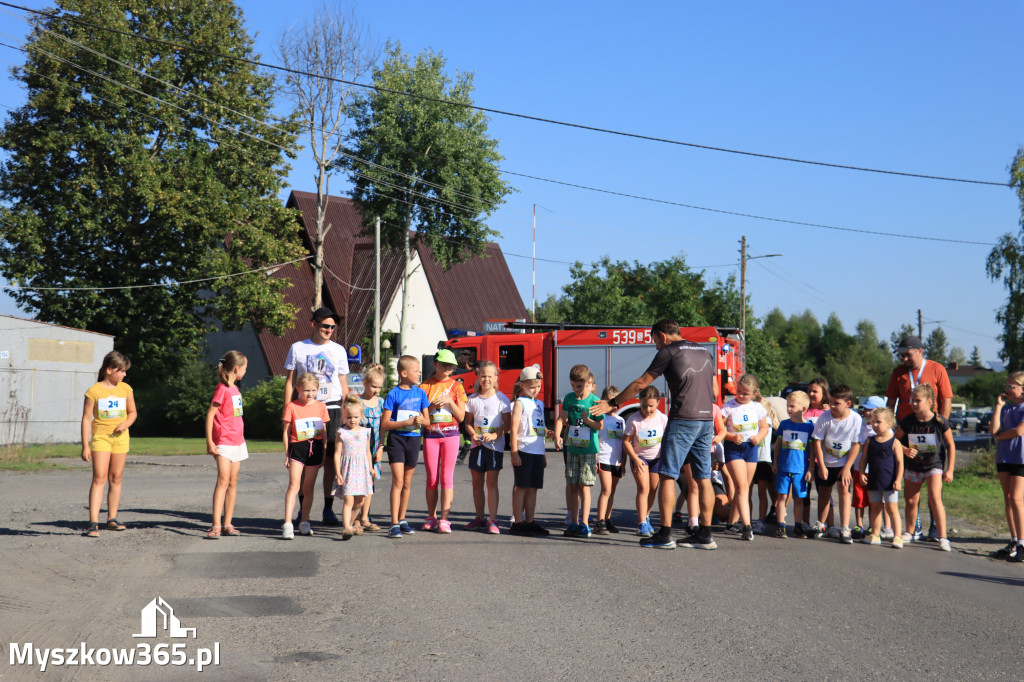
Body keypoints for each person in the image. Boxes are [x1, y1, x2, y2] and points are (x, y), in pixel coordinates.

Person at [591, 319, 717, 550]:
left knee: (667, 475)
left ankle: (665, 534)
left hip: (683, 419)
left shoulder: (669, 351)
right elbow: (715, 390)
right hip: (707, 419)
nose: (656, 345)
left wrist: (613, 403)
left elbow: (641, 384)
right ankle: (705, 536)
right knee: (703, 478)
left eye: (655, 340)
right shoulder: (704, 351)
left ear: (663, 335)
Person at [283, 307, 350, 527]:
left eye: (332, 327)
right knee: (304, 459)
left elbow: (343, 383)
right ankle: (303, 509)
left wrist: (347, 412)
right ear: (313, 324)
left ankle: (328, 508)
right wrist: (287, 411)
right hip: (305, 409)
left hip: (331, 407)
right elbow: (291, 382)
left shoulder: (339, 350)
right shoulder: (298, 348)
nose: (329, 330)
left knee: (331, 459)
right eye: (325, 326)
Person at [886, 335, 953, 541]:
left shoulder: (936, 368)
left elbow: (946, 399)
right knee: (912, 480)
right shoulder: (898, 373)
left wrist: (941, 425)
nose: (904, 359)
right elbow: (891, 401)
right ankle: (914, 527)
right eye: (902, 355)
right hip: (907, 432)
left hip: (932, 433)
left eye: (908, 355)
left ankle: (936, 528)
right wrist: (889, 427)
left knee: (934, 481)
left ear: (920, 351)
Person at [80, 351, 137, 538]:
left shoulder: (126, 389)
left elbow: (133, 412)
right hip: (101, 439)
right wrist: (85, 445)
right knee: (99, 478)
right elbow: (86, 419)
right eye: (121, 371)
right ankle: (93, 522)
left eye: (125, 371)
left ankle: (112, 519)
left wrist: (126, 423)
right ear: (109, 369)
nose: (124, 375)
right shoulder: (94, 391)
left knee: (116, 478)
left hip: (121, 439)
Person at [894, 383, 955, 552]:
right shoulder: (907, 422)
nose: (913, 403)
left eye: (917, 400)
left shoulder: (939, 421)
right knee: (911, 501)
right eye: (911, 400)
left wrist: (950, 469)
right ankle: (909, 532)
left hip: (934, 466)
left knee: (935, 498)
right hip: (913, 467)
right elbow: (895, 440)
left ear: (929, 401)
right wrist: (905, 449)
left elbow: (950, 445)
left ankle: (942, 537)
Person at [381, 355, 430, 539]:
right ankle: (393, 523)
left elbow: (428, 421)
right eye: (416, 371)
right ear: (404, 373)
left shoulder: (420, 393)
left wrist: (420, 420)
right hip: (397, 440)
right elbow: (385, 424)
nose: (419, 374)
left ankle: (402, 519)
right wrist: (405, 422)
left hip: (414, 440)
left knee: (407, 483)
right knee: (398, 481)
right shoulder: (393, 393)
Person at [419, 349, 468, 533]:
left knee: (447, 477)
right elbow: (420, 414)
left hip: (451, 436)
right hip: (431, 436)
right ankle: (431, 516)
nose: (447, 367)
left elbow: (461, 417)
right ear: (435, 364)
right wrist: (433, 406)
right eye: (443, 364)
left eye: (450, 365)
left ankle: (444, 519)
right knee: (432, 478)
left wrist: (449, 402)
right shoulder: (424, 386)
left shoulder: (457, 386)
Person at [554, 365, 603, 538]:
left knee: (584, 486)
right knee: (572, 484)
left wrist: (588, 420)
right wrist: (558, 435)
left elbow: (599, 425)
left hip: (588, 449)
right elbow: (562, 418)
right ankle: (573, 522)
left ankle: (585, 523)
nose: (577, 390)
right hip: (572, 447)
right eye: (574, 386)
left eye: (580, 386)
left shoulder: (594, 401)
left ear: (588, 383)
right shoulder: (568, 398)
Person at [810, 384, 862, 544]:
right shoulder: (825, 417)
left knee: (844, 492)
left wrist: (847, 468)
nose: (832, 406)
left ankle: (845, 527)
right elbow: (817, 441)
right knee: (824, 493)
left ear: (848, 403)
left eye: (836, 403)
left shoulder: (855, 419)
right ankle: (821, 524)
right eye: (831, 402)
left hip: (844, 463)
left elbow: (856, 444)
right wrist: (822, 466)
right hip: (826, 462)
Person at [204, 350, 248, 539]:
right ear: (237, 368)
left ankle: (228, 523)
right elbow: (210, 415)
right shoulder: (222, 389)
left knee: (233, 482)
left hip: (238, 441)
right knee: (223, 480)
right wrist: (210, 441)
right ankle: (215, 525)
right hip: (223, 442)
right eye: (245, 368)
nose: (245, 372)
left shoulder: (236, 389)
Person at [463, 361, 511, 534]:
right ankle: (479, 517)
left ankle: (493, 519)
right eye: (483, 376)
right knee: (477, 483)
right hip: (477, 447)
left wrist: (495, 435)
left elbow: (507, 424)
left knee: (492, 483)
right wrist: (473, 434)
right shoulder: (472, 399)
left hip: (494, 448)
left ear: (496, 378)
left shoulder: (502, 399)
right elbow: (468, 423)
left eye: (490, 376)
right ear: (478, 376)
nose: (486, 379)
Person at [720, 374, 769, 542]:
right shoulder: (728, 407)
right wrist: (731, 436)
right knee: (741, 486)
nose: (740, 396)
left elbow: (764, 427)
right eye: (738, 392)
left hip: (751, 449)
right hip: (734, 449)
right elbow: (719, 429)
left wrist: (759, 437)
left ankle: (731, 523)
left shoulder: (757, 407)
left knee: (744, 488)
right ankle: (747, 527)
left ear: (754, 394)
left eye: (744, 393)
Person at [281, 373, 330, 539]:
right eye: (306, 390)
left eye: (313, 390)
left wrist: (323, 452)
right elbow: (286, 432)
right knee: (294, 485)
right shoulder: (292, 406)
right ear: (299, 388)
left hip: (315, 447)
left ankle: (304, 521)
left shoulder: (321, 407)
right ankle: (287, 523)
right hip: (298, 447)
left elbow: (323, 432)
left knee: (308, 487)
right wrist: (287, 454)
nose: (310, 394)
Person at [510, 365, 553, 536]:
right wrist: (514, 452)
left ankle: (530, 520)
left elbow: (539, 428)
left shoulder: (540, 404)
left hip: (537, 451)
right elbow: (514, 429)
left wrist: (543, 453)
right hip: (524, 450)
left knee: (533, 488)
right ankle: (518, 522)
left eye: (538, 386)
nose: (536, 390)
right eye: (532, 386)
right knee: (521, 487)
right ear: (522, 384)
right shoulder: (520, 403)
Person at [621, 385, 667, 538]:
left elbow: (667, 439)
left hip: (657, 458)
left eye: (651, 406)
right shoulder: (634, 419)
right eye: (644, 406)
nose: (647, 409)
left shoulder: (662, 418)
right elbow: (626, 441)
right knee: (643, 488)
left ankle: (646, 517)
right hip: (640, 458)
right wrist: (635, 459)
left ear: (658, 403)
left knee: (653, 489)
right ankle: (641, 523)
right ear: (639, 402)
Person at [990, 371, 1024, 561]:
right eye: (1006, 387)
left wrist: (1000, 436)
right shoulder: (1006, 409)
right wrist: (998, 406)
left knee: (1017, 499)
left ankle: (1022, 542)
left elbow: (1019, 431)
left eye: (1011, 387)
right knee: (1008, 498)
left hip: (1021, 458)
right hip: (1004, 457)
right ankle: (1013, 540)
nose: (1007, 390)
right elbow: (993, 429)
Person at [859, 407, 904, 548]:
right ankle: (876, 534)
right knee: (875, 508)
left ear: (889, 423)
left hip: (890, 481)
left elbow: (900, 462)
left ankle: (897, 536)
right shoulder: (869, 441)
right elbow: (864, 459)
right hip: (874, 480)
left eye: (878, 422)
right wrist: (861, 473)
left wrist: (898, 480)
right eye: (873, 422)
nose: (875, 425)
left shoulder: (895, 442)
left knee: (892, 509)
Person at [332, 394, 375, 541]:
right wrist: (338, 473)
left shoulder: (365, 432)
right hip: (348, 471)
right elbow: (337, 454)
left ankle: (349, 525)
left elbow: (367, 452)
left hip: (362, 471)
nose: (352, 420)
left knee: (360, 502)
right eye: (349, 417)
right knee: (348, 500)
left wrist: (371, 468)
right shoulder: (341, 433)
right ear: (344, 416)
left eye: (356, 417)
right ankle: (346, 528)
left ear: (361, 416)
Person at [772, 390, 814, 539]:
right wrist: (775, 461)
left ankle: (798, 525)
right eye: (788, 406)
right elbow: (778, 444)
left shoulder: (809, 427)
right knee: (782, 496)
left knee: (798, 498)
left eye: (792, 406)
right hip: (784, 466)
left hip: (800, 469)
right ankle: (781, 525)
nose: (789, 409)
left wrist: (811, 468)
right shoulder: (784, 424)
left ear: (803, 408)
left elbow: (812, 449)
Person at [353, 363, 386, 532]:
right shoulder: (357, 401)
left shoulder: (381, 402)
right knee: (358, 483)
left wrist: (381, 447)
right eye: (374, 386)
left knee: (370, 483)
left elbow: (383, 427)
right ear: (365, 382)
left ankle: (365, 517)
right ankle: (356, 519)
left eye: (379, 387)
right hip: (358, 450)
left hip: (374, 449)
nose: (376, 390)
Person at [595, 386, 626, 535]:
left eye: (616, 403)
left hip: (617, 462)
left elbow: (623, 443)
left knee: (612, 491)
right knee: (606, 490)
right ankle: (599, 521)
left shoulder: (620, 420)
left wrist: (623, 462)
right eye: (610, 403)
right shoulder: (601, 419)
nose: (614, 407)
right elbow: (595, 439)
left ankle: (607, 519)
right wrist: (595, 459)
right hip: (603, 458)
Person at [752, 396, 779, 535]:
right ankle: (746, 521)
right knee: (747, 493)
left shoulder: (767, 421)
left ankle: (761, 520)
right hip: (750, 460)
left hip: (763, 460)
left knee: (762, 493)